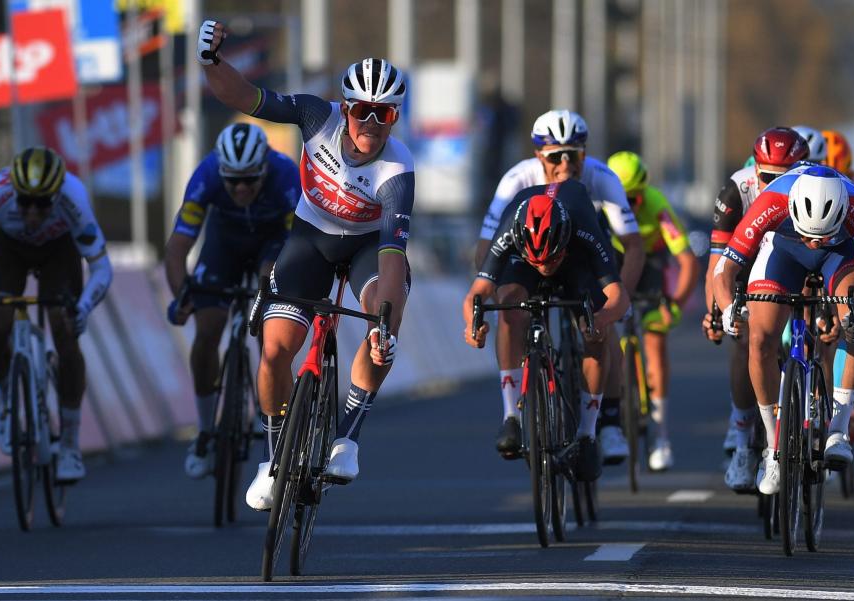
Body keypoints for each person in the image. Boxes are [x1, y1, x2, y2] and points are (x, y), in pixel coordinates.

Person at [197, 20, 413, 511]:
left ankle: (348, 438)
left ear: (395, 117)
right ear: (345, 106)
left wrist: (383, 320)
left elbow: (393, 253)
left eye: (383, 113)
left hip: (366, 250)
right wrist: (211, 62)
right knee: (275, 350)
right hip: (310, 239)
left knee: (385, 323)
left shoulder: (398, 171)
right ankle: (272, 460)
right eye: (362, 110)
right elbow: (246, 97)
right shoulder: (317, 116)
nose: (370, 124)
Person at [473, 109, 644, 464]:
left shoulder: (602, 177)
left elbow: (633, 245)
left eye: (574, 154)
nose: (565, 163)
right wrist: (494, 284)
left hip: (582, 242)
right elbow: (485, 248)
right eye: (555, 156)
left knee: (601, 324)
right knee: (510, 307)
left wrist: (615, 304)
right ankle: (512, 414)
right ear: (539, 156)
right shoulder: (517, 179)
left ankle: (607, 423)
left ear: (585, 153)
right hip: (528, 248)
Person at [0, 147, 113, 482]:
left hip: (59, 249)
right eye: (25, 203)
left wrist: (83, 308)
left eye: (42, 204)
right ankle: (10, 396)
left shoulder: (74, 198)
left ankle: (68, 444)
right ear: (13, 194)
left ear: (57, 195)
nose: (33, 212)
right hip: (8, 247)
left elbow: (101, 268)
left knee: (65, 332)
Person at [712, 164, 854, 494]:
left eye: (821, 236)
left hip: (841, 254)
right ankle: (774, 448)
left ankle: (838, 429)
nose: (814, 243)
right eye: (808, 234)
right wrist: (728, 308)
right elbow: (725, 268)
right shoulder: (772, 199)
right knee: (760, 339)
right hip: (783, 250)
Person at [462, 180, 630, 481]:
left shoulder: (582, 226)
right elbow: (478, 292)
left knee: (594, 327)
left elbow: (619, 297)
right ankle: (511, 416)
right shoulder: (511, 230)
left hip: (575, 261)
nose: (544, 268)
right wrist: (473, 325)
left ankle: (588, 433)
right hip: (522, 257)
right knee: (511, 308)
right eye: (539, 261)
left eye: (549, 260)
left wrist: (602, 319)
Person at [164, 122, 300, 479]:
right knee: (208, 329)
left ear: (265, 169)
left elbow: (299, 242)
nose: (241, 188)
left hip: (271, 244)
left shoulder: (286, 175)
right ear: (221, 171)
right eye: (233, 181)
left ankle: (264, 395)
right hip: (224, 244)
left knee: (270, 310)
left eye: (250, 180)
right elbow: (178, 245)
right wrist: (182, 294)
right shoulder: (207, 173)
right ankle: (206, 430)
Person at [703, 126, 809, 490]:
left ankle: (816, 418)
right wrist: (717, 312)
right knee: (747, 337)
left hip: (801, 257)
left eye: (786, 178)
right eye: (768, 178)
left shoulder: (816, 187)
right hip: (746, 262)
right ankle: (744, 435)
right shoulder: (737, 189)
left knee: (817, 325)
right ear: (755, 170)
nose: (775, 185)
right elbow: (718, 265)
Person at [606, 151, 699, 471]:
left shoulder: (657, 205)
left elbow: (686, 261)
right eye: (621, 199)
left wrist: (675, 302)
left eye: (634, 199)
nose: (628, 206)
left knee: (654, 340)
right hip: (613, 264)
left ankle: (660, 437)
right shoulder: (598, 205)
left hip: (650, 266)